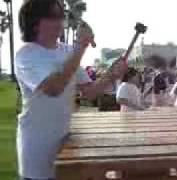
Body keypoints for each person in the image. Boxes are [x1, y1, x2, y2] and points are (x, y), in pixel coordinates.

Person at [15, 1, 126, 179]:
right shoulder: (26, 54)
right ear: (34, 22)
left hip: (65, 145)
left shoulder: (68, 51)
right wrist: (81, 47)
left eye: (61, 16)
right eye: (53, 16)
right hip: (36, 153)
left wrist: (112, 75)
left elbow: (89, 92)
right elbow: (55, 88)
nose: (60, 21)